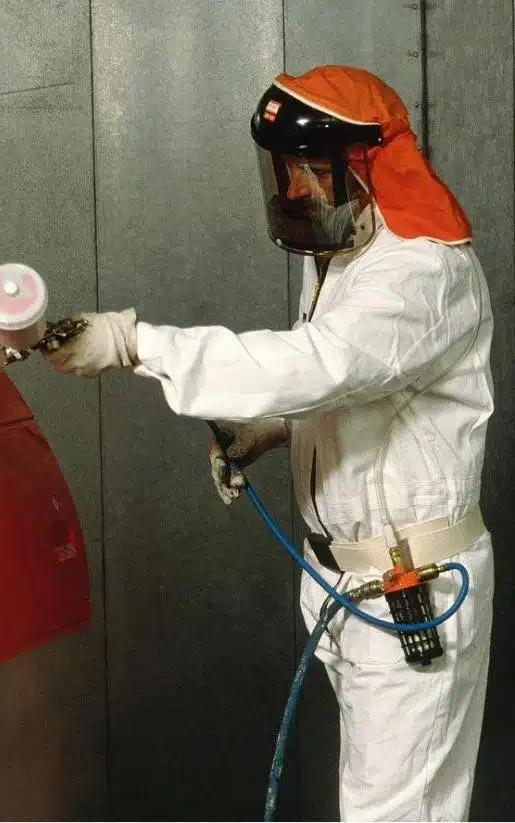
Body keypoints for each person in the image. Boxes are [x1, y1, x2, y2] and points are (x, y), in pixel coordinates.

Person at [44, 65, 494, 821]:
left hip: (411, 583)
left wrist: (133, 342)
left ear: (366, 167)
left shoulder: (420, 272)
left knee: (395, 812)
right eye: (286, 172)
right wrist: (274, 429)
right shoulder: (346, 260)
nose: (297, 191)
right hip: (348, 579)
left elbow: (319, 363)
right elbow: (354, 388)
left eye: (312, 171)